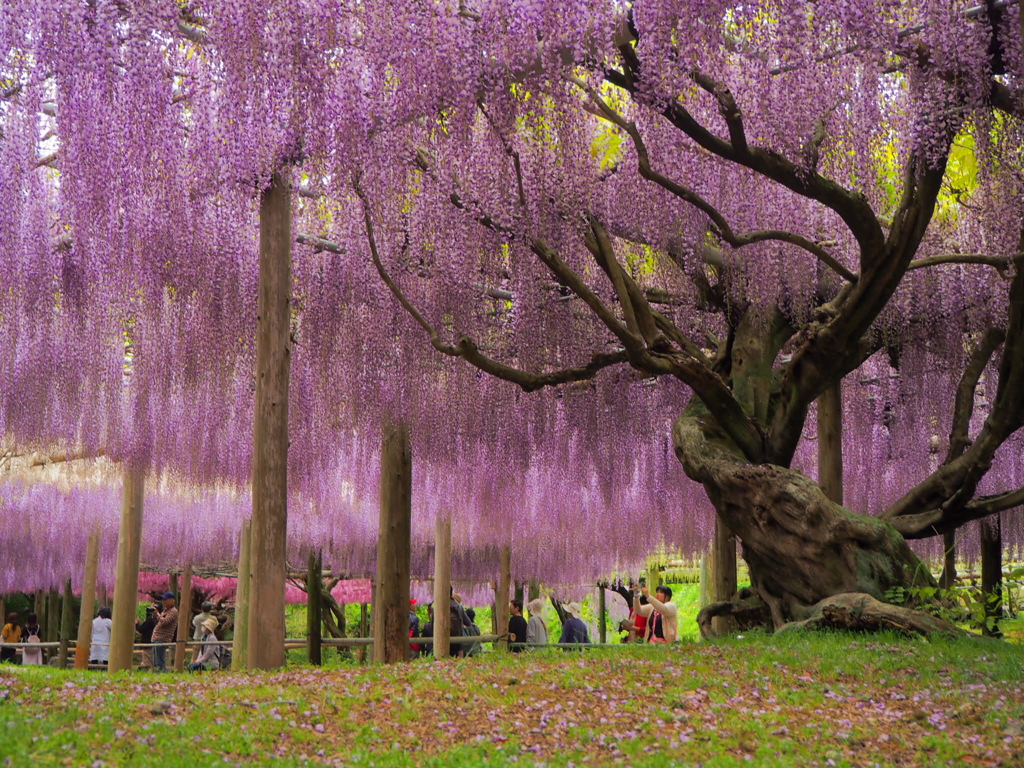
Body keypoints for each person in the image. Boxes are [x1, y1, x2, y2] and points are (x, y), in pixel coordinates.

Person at [151, 592, 178, 672]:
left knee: (159, 660)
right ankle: (158, 672)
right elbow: (158, 622)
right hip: (157, 638)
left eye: (165, 599)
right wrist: (154, 614)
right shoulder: (165, 611)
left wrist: (158, 614)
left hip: (162, 639)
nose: (163, 601)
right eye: (163, 600)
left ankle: (162, 673)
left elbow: (165, 622)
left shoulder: (173, 611)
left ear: (172, 600)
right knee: (155, 660)